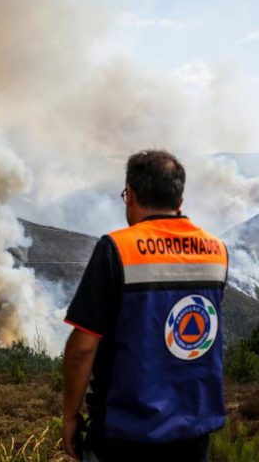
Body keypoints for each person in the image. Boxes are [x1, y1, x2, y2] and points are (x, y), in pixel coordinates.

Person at [62, 149, 229, 461]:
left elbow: (83, 347)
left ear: (131, 196)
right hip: (194, 430)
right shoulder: (217, 251)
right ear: (179, 200)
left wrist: (70, 414)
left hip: (127, 432)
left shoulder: (116, 248)